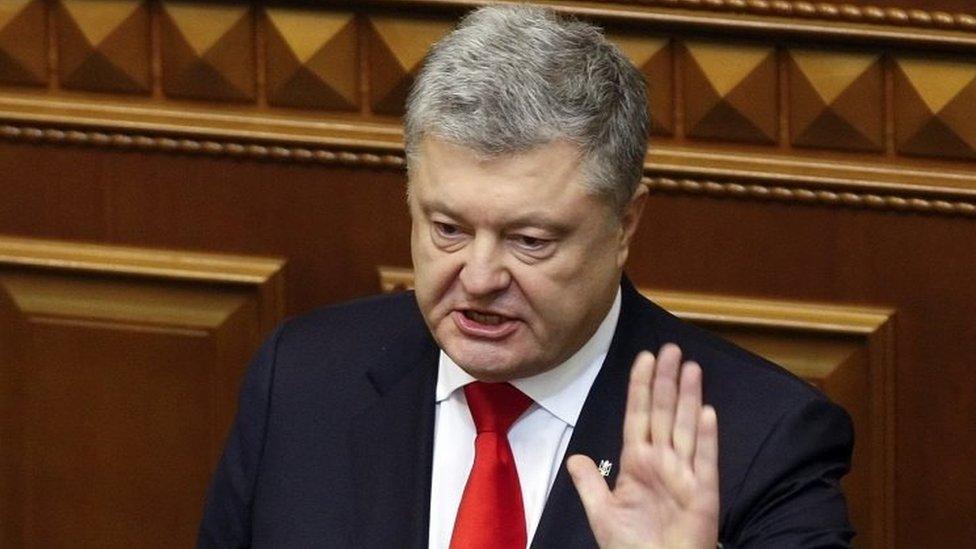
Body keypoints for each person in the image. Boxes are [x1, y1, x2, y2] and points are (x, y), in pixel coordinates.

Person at [198, 5, 853, 548]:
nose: (479, 276)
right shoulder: (303, 379)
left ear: (625, 223)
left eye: (531, 240)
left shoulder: (761, 440)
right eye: (447, 229)